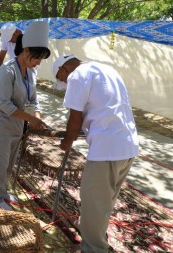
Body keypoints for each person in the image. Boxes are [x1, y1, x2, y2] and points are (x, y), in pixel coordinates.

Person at [52, 55, 139, 253]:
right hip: (127, 146)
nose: (64, 83)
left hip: (107, 149)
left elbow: (75, 118)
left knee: (93, 203)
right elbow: (104, 107)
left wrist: (66, 142)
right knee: (105, 201)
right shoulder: (107, 69)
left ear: (64, 69)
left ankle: (93, 248)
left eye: (61, 79)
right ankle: (96, 238)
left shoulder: (78, 75)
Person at [0, 21, 51, 211]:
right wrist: (30, 119)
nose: (38, 63)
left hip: (15, 128)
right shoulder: (7, 71)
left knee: (8, 164)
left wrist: (36, 115)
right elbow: (4, 104)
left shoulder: (29, 73)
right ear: (27, 50)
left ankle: (3, 192)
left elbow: (33, 100)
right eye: (37, 58)